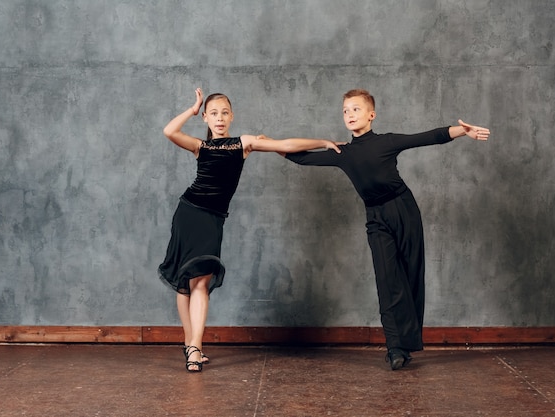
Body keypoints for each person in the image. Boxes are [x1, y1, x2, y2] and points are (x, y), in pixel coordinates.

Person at [266, 88, 490, 370]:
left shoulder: (387, 142)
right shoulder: (341, 153)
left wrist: (462, 131)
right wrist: (270, 144)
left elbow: (427, 137)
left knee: (410, 275)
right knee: (387, 280)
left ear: (371, 115)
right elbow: (300, 158)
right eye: (345, 110)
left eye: (356, 109)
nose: (349, 114)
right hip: (376, 217)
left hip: (404, 210)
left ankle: (408, 344)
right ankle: (395, 347)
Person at [159, 88, 342, 372]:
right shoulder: (200, 146)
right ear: (206, 117)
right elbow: (169, 130)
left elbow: (286, 144)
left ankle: (194, 345)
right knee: (186, 281)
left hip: (212, 218)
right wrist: (192, 109)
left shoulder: (242, 144)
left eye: (224, 113)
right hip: (187, 213)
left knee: (201, 281)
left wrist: (323, 142)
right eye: (213, 113)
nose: (219, 118)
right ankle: (191, 346)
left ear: (232, 116)